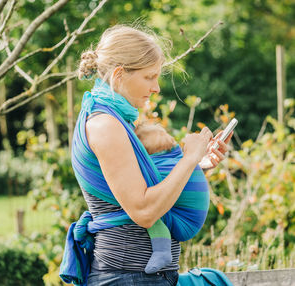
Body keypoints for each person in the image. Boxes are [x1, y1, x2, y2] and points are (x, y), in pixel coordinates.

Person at [61, 24, 232, 286]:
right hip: (127, 276)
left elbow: (141, 181)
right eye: (149, 77)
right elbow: (144, 210)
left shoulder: (116, 120)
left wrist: (198, 163)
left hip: (138, 276)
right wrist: (187, 160)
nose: (156, 88)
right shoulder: (106, 125)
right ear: (119, 75)